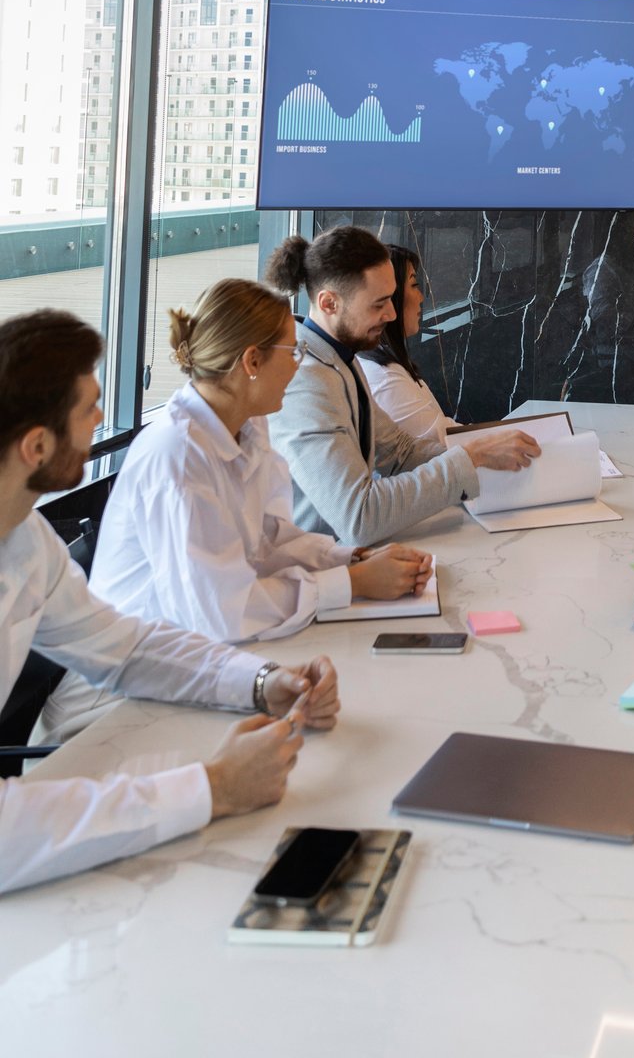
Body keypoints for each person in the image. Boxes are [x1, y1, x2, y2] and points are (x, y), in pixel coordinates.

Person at [0, 309, 338, 897]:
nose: (102, 419)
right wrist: (214, 788)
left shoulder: (27, 538)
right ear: (36, 445)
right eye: (89, 409)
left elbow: (126, 648)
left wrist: (261, 681)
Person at [42, 279, 431, 743]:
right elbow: (221, 613)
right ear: (252, 361)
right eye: (292, 350)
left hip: (195, 666)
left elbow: (269, 538)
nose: (299, 363)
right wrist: (352, 583)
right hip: (110, 706)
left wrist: (351, 558)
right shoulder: (177, 455)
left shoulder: (247, 424)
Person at [266, 226, 539, 541]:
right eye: (378, 303)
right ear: (329, 303)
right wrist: (470, 457)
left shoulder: (341, 357)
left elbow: (399, 452)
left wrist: (482, 454)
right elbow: (359, 517)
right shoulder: (304, 382)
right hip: (313, 563)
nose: (392, 314)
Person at [360, 243, 455, 449]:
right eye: (414, 285)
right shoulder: (383, 378)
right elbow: (444, 443)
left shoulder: (384, 363)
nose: (421, 297)